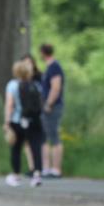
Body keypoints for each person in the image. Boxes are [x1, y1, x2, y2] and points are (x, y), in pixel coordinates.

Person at [3, 59, 44, 187]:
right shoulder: (36, 85)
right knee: (35, 147)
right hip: (34, 121)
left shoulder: (12, 85)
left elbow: (10, 104)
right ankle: (37, 175)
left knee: (16, 148)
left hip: (17, 120)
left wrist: (7, 122)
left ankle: (16, 175)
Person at [39, 43, 65, 178]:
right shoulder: (50, 67)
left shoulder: (54, 67)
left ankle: (56, 169)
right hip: (48, 106)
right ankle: (47, 168)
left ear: (43, 53)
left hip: (53, 106)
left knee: (54, 135)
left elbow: (56, 87)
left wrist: (49, 103)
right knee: (45, 136)